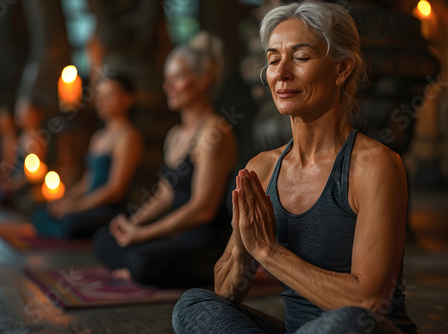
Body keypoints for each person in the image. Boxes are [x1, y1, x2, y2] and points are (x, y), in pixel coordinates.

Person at [172, 1, 417, 333]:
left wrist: (268, 251)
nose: (282, 73)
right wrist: (245, 246)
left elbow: (368, 303)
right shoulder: (262, 168)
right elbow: (227, 290)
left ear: (342, 69)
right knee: (193, 305)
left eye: (301, 58)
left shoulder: (375, 166)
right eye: (273, 60)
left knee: (346, 322)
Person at [93, 32, 237, 288]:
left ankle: (142, 268)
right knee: (105, 239)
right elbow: (165, 194)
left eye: (177, 78)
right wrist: (132, 225)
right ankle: (139, 268)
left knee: (141, 260)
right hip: (175, 238)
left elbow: (202, 209)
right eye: (166, 79)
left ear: (203, 80)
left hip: (204, 244)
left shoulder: (214, 132)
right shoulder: (174, 134)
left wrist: (145, 234)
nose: (167, 86)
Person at [32, 73, 143, 239]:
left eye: (110, 95)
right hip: (88, 205)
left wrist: (76, 206)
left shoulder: (128, 136)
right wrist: (65, 200)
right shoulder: (98, 137)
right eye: (101, 96)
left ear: (128, 99)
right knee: (41, 213)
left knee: (70, 224)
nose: (103, 101)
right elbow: (87, 182)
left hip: (108, 208)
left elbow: (115, 190)